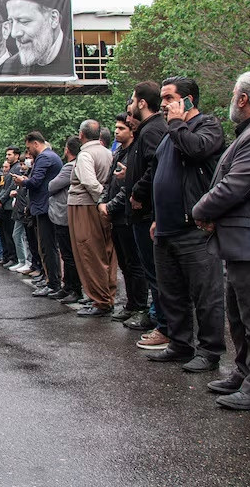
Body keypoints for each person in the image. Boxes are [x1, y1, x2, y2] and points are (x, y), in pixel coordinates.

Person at [192, 71, 250, 410]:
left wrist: (201, 209)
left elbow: (235, 185)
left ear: (243, 99)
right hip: (244, 241)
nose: (232, 100)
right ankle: (246, 373)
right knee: (240, 314)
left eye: (234, 95)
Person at [145, 77, 225, 372]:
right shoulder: (169, 135)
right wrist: (157, 217)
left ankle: (210, 350)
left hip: (195, 228)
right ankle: (180, 343)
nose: (163, 104)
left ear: (188, 99)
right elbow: (162, 177)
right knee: (172, 292)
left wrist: (178, 123)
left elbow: (196, 151)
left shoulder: (207, 126)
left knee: (206, 294)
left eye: (168, 98)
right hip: (166, 228)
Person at [101, 81, 168, 347]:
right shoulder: (149, 131)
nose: (129, 106)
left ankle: (162, 325)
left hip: (145, 212)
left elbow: (155, 167)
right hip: (137, 213)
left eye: (131, 100)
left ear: (141, 102)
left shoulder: (152, 131)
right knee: (142, 268)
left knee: (153, 272)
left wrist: (137, 192)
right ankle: (157, 319)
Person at [67, 120, 117, 317]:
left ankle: (100, 300)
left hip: (85, 206)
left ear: (81, 135)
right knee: (106, 252)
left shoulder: (85, 154)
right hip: (100, 206)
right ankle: (106, 295)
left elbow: (88, 181)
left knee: (88, 251)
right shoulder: (107, 152)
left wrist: (101, 199)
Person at [103, 113, 148, 322]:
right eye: (116, 128)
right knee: (125, 264)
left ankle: (140, 307)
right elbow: (109, 182)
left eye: (121, 128)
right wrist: (103, 202)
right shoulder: (118, 153)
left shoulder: (134, 154)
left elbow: (129, 187)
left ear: (131, 130)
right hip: (117, 217)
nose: (116, 131)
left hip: (128, 215)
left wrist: (110, 206)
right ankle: (130, 305)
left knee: (135, 263)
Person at [0, 0, 73, 76]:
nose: (14, 33)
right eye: (11, 22)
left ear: (53, 19)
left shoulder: (75, 59)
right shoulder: (9, 66)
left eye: (24, 21)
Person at [20, 132, 63, 296]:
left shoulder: (44, 158)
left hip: (45, 208)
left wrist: (22, 181)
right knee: (46, 247)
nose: (28, 151)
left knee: (47, 247)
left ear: (36, 143)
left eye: (28, 147)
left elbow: (36, 181)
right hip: (45, 207)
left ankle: (53, 283)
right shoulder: (50, 156)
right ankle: (51, 281)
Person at [47, 137, 83, 303]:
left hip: (64, 215)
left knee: (68, 254)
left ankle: (74, 288)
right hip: (65, 214)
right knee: (66, 253)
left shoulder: (70, 167)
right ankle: (68, 287)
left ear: (67, 150)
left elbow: (52, 185)